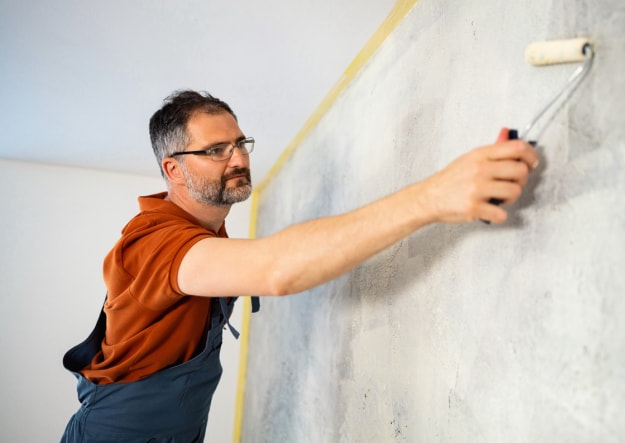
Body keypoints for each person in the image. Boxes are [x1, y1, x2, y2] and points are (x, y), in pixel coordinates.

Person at [61, 89, 538, 442]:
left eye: (240, 142)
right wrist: (436, 195)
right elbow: (277, 269)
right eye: (215, 150)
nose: (239, 158)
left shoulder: (203, 235)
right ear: (172, 170)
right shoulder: (154, 244)